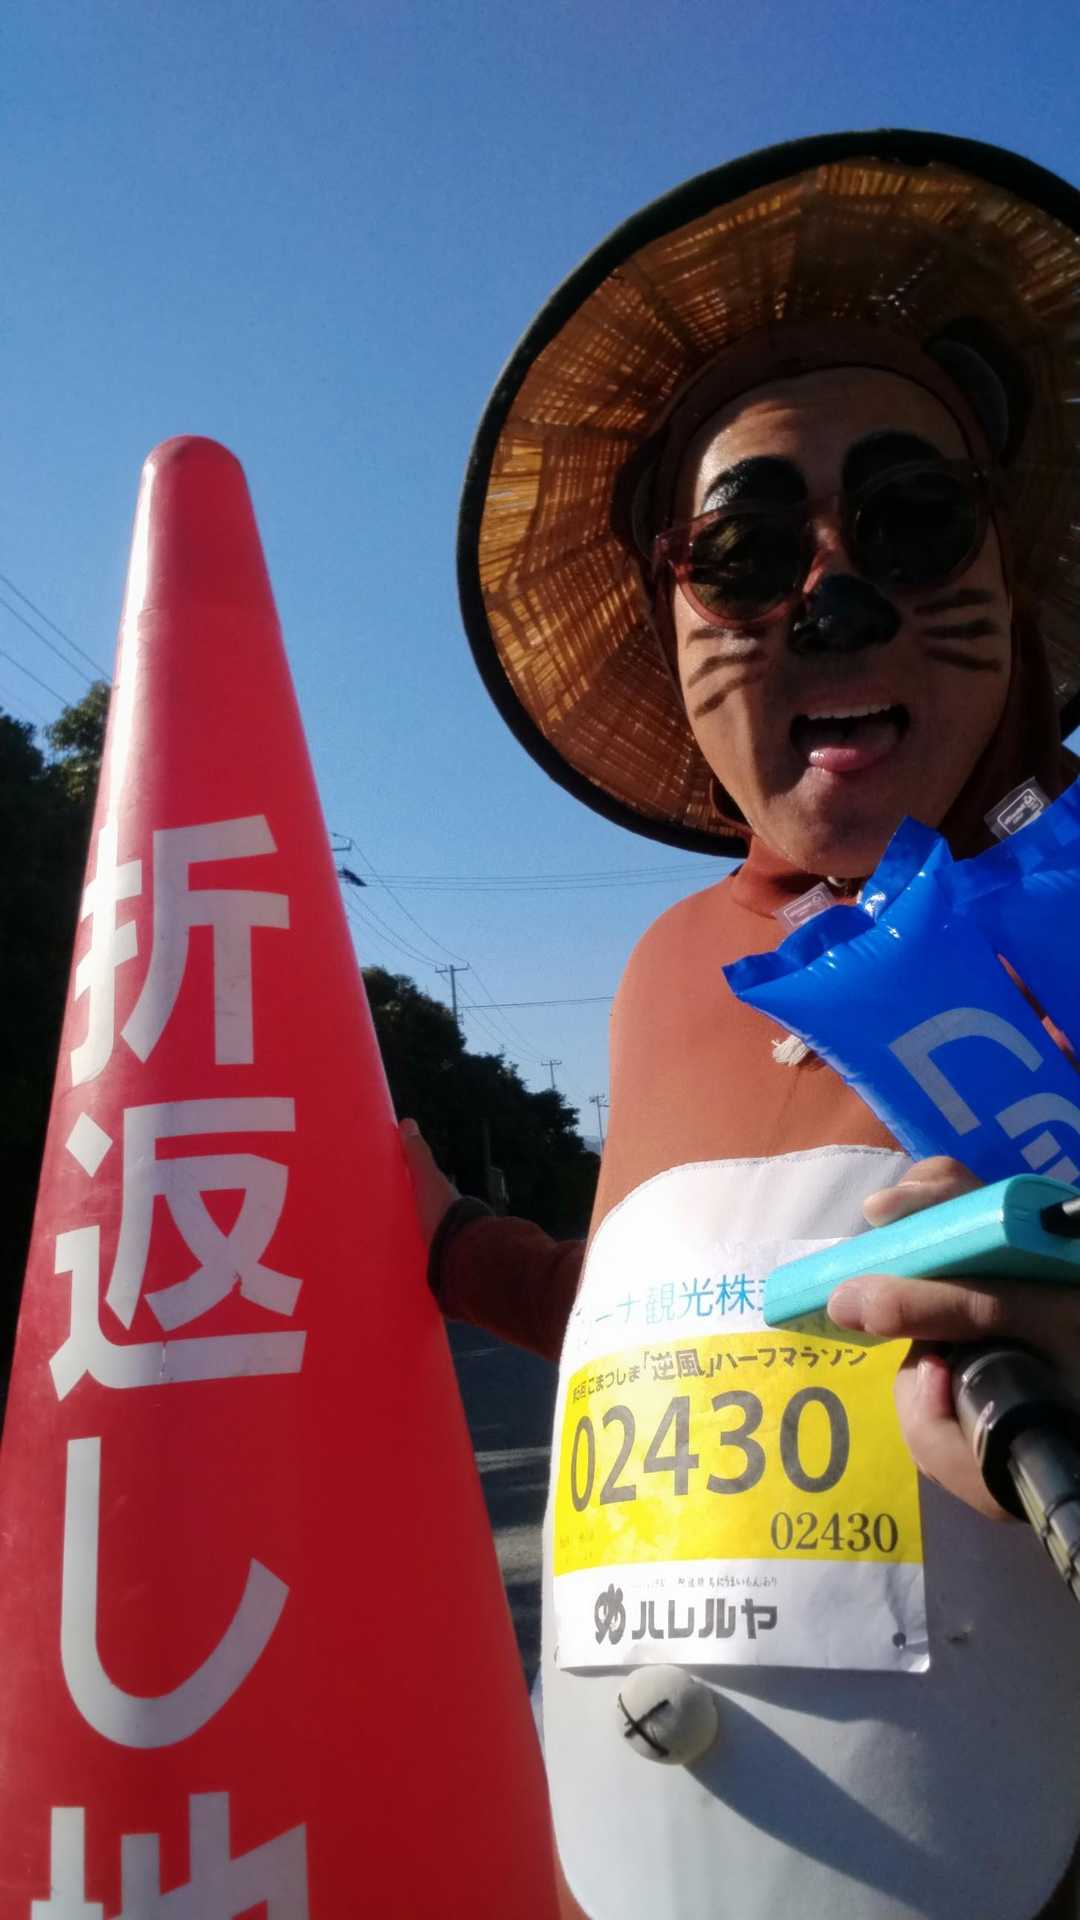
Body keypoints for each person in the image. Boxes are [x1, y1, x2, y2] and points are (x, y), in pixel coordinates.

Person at [406, 131, 1080, 1918]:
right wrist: (449, 1241)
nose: (834, 600)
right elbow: (676, 1325)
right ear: (672, 615)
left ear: (1010, 572)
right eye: (747, 549)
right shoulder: (662, 969)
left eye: (913, 522)